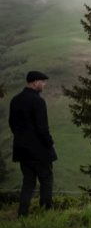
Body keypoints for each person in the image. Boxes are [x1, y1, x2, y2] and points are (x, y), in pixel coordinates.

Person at [9, 71, 57, 217]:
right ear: (35, 82)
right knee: (46, 180)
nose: (44, 85)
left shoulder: (15, 100)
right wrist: (49, 143)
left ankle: (22, 214)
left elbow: (12, 124)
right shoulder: (38, 101)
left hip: (22, 150)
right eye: (43, 82)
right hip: (39, 150)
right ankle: (45, 213)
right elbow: (42, 128)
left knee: (28, 183)